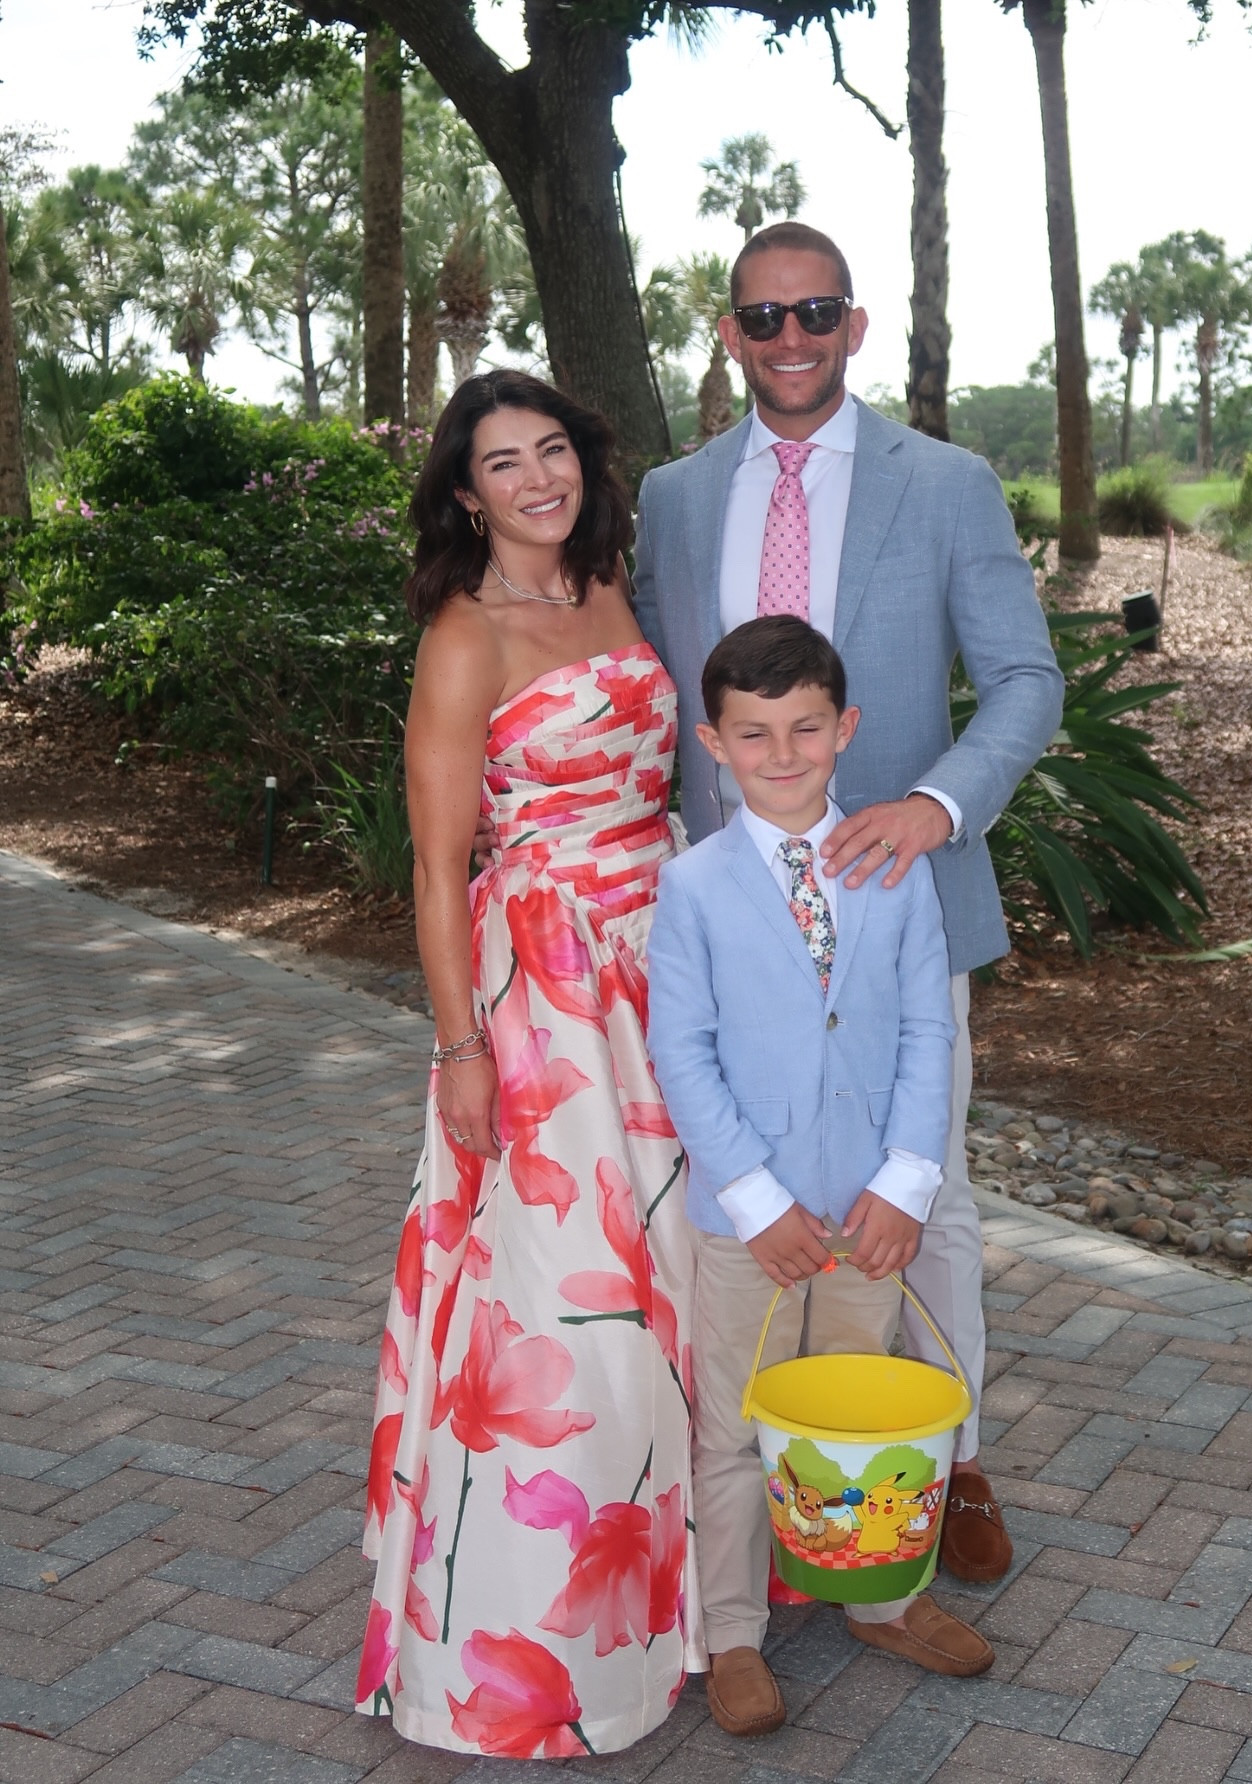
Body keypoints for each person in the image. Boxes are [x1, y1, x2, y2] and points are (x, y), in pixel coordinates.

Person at [633, 221, 1066, 1586]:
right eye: (764, 317)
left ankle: (950, 1462)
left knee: (920, 1194)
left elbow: (1026, 679)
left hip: (897, 899)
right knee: (744, 1190)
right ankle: (768, 1490)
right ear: (730, 333)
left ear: (854, 325)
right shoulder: (673, 497)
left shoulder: (944, 483)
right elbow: (650, 685)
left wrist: (936, 804)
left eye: (815, 311)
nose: (792, 338)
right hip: (734, 917)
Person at [356, 369, 700, 1759]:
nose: (538, 478)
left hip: (665, 961)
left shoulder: (612, 583)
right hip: (548, 996)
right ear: (466, 492)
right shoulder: (465, 635)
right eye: (504, 462)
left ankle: (685, 1610)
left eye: (552, 449)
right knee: (566, 1308)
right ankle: (536, 1649)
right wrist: (461, 1049)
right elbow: (438, 869)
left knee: (677, 1278)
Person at [647, 616, 994, 1738]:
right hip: (751, 1218)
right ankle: (733, 1633)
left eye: (806, 728)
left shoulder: (895, 866)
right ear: (714, 742)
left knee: (862, 1404)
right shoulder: (692, 886)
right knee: (734, 1427)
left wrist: (907, 1181)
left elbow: (926, 1033)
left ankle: (882, 1597)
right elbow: (682, 1053)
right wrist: (754, 1198)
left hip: (868, 1209)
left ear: (846, 728)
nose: (783, 753)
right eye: (754, 733)